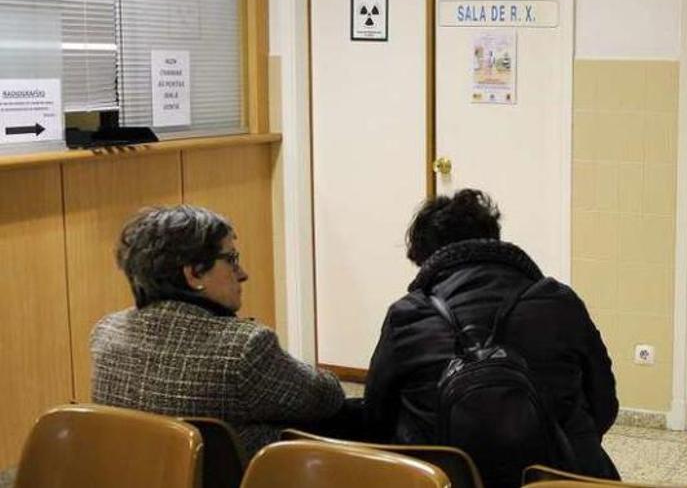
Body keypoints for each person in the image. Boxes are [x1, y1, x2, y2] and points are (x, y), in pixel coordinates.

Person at [364, 189, 619, 487]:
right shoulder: (560, 302)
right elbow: (604, 402)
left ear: (426, 257)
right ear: (491, 239)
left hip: (444, 480)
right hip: (555, 476)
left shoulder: (408, 314)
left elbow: (377, 416)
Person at [91, 205, 345, 456]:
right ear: (193, 274)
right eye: (231, 260)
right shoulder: (242, 348)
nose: (243, 274)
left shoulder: (106, 333)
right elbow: (327, 397)